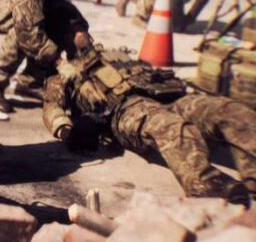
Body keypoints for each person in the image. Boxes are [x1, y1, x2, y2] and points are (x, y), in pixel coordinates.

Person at [43, 32, 255, 203]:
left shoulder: (115, 54)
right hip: (124, 110)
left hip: (169, 96)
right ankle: (207, 186)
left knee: (228, 110)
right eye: (72, 29)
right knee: (171, 127)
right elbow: (52, 108)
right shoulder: (62, 76)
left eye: (80, 27)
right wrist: (66, 131)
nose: (80, 33)